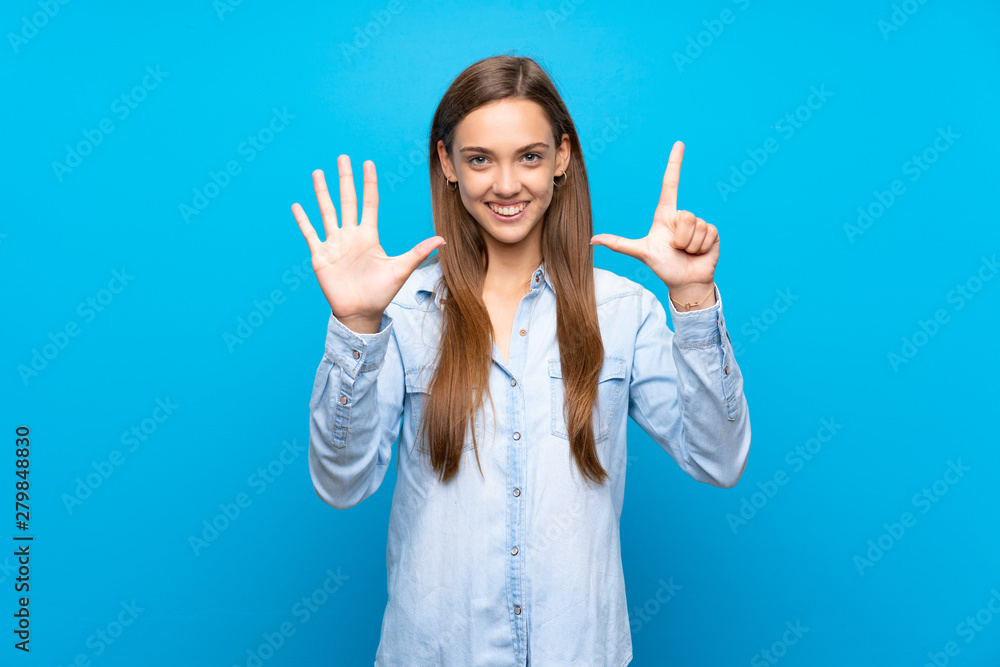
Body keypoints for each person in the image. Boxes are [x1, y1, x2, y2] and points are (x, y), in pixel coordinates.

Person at [291, 54, 750, 667]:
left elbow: (719, 459)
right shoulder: (402, 314)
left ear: (562, 158)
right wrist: (357, 324)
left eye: (529, 156)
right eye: (479, 158)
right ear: (446, 164)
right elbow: (341, 484)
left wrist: (692, 299)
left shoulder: (623, 309)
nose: (506, 185)